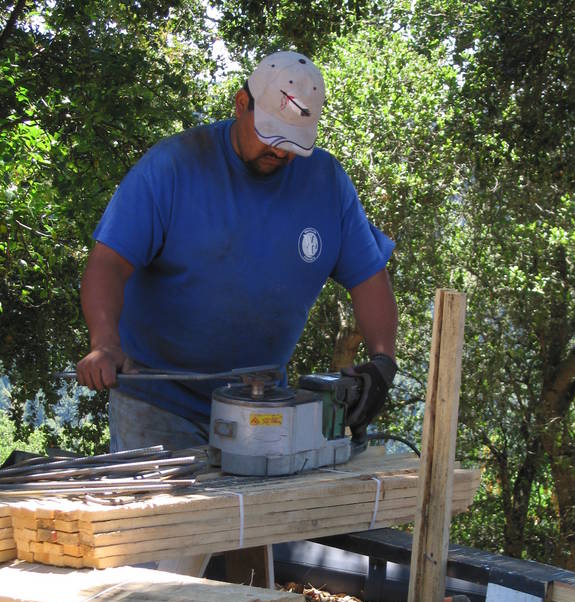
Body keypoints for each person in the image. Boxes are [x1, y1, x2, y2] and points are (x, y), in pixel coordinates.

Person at [76, 51, 399, 452]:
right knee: (166, 517)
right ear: (241, 104)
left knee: (256, 516)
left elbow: (369, 277)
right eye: (271, 134)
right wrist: (104, 343)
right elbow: (108, 263)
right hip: (157, 404)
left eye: (293, 144)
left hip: (259, 407)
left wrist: (383, 362)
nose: (281, 152)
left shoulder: (327, 184)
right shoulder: (173, 167)